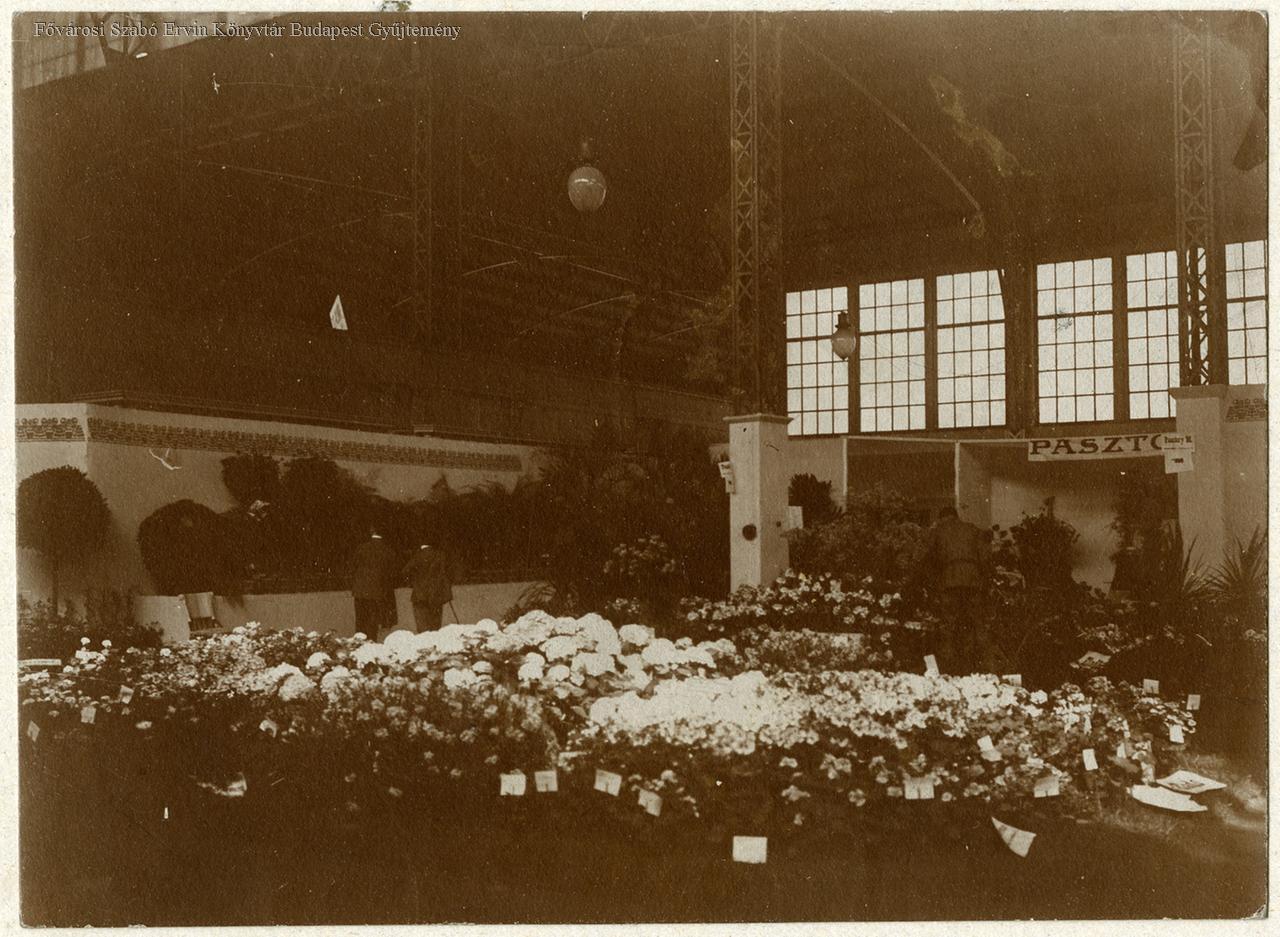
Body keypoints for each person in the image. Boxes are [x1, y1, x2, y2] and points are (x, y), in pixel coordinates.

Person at [922, 505, 996, 671]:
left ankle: (948, 669)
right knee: (978, 624)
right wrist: (985, 581)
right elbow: (985, 557)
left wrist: (934, 583)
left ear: (942, 518)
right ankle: (988, 668)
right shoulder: (972, 529)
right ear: (956, 516)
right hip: (973, 581)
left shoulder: (938, 531)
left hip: (949, 581)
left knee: (948, 625)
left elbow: (928, 558)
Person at [348, 531, 399, 639]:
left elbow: (352, 567)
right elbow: (393, 573)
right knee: (372, 621)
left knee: (361, 620)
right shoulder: (388, 550)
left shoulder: (361, 548)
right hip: (377, 591)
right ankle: (371, 642)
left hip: (360, 590)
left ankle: (360, 641)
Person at [402, 542, 453, 633]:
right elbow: (447, 574)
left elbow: (405, 571)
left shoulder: (417, 556)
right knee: (435, 626)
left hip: (420, 595)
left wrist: (413, 583)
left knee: (423, 627)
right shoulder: (440, 555)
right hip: (436, 595)